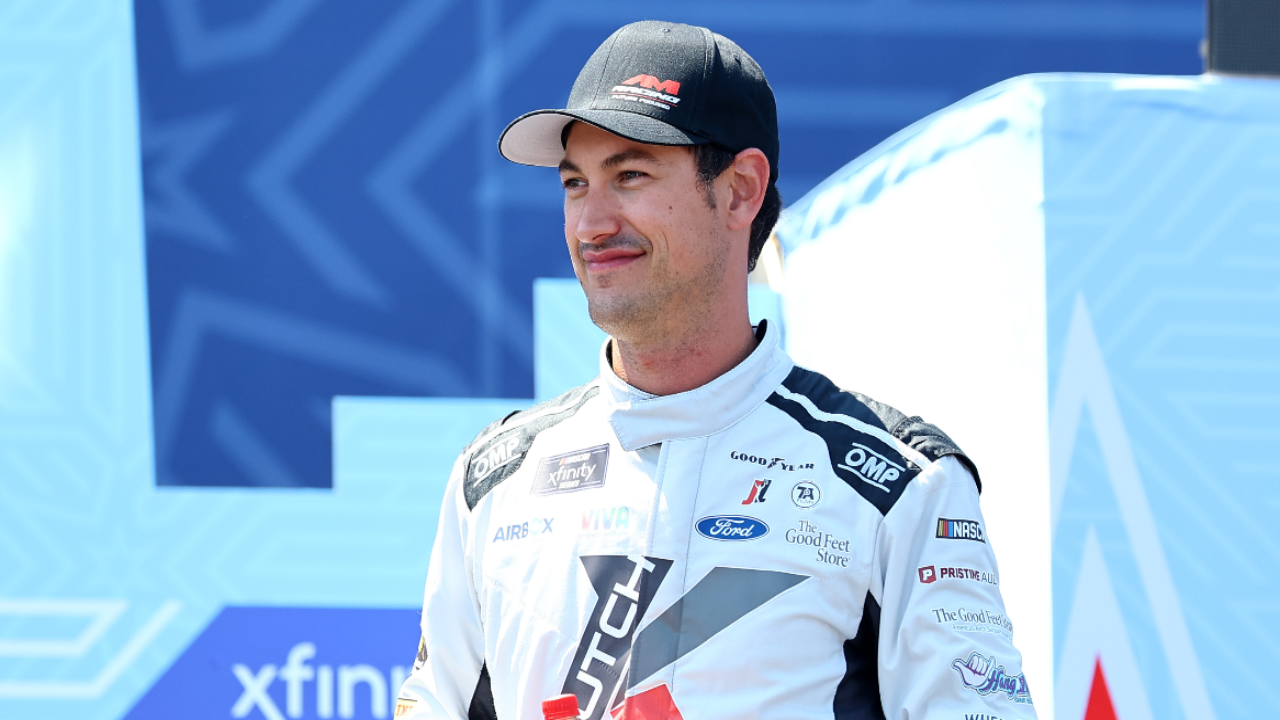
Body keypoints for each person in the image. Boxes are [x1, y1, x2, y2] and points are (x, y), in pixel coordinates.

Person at [395, 20, 1037, 720]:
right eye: (576, 184)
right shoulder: (494, 481)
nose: (591, 224)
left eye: (630, 175)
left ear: (740, 191)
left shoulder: (899, 489)